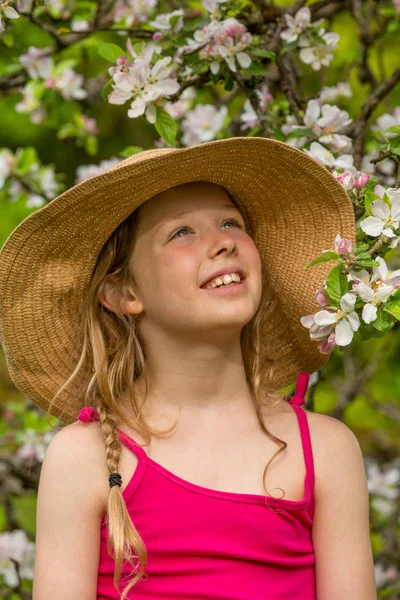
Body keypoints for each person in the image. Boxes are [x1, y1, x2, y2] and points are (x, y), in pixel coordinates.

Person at [0, 137, 377, 599]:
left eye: (231, 222)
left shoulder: (324, 451)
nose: (223, 243)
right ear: (124, 295)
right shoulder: (86, 458)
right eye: (182, 232)